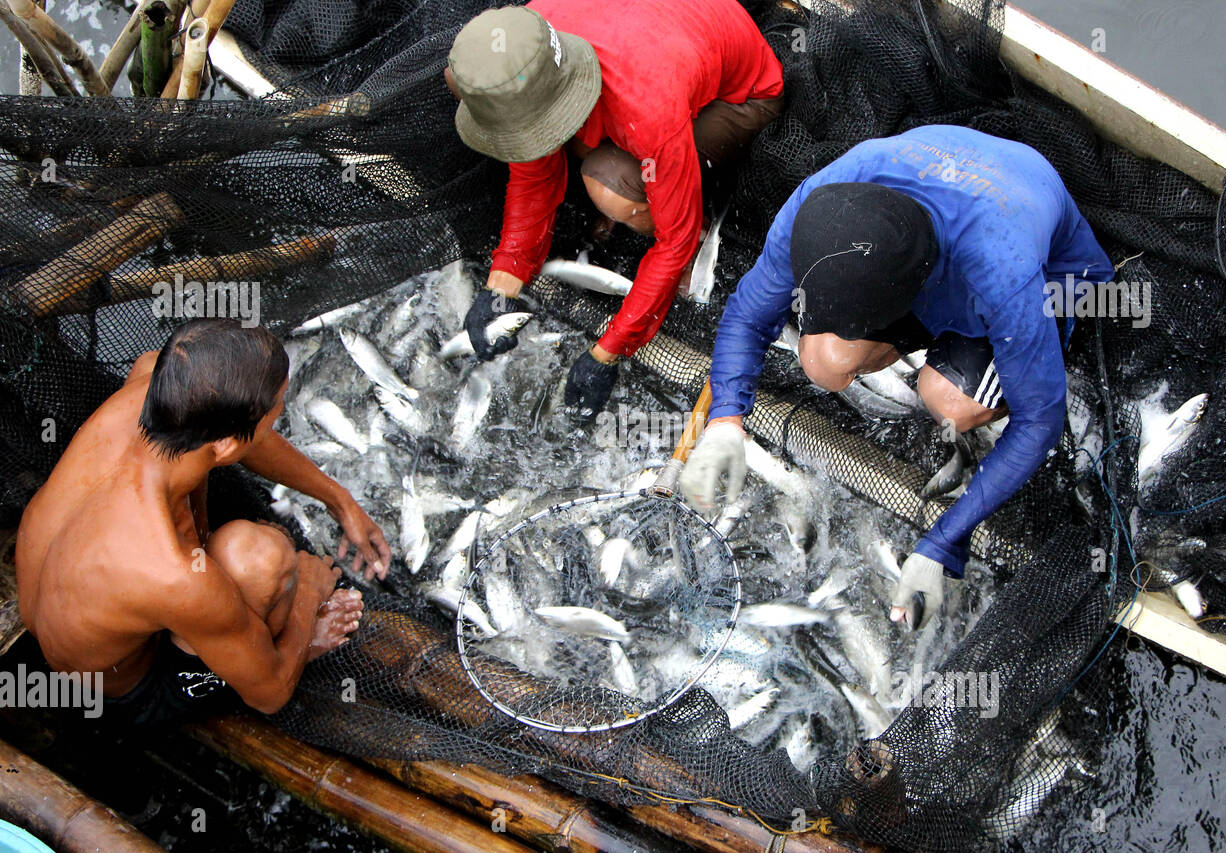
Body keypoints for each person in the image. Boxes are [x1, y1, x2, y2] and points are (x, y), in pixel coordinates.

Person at [680, 125, 1115, 628]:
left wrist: (940, 543)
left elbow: (1041, 420)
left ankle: (966, 371)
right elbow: (748, 316)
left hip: (1050, 272)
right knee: (821, 360)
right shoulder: (819, 209)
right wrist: (726, 421)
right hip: (914, 237)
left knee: (945, 398)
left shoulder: (1005, 272)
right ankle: (924, 348)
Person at [15, 319, 392, 728]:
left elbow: (250, 444)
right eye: (276, 410)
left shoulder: (152, 380)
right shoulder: (174, 574)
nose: (280, 413)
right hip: (129, 688)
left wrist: (339, 499)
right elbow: (269, 696)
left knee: (229, 563)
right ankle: (285, 646)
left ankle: (231, 635)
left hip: (67, 606)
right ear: (225, 443)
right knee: (262, 557)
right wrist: (309, 593)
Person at [446, 0, 784, 414]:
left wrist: (607, 351)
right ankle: (638, 175)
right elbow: (532, 174)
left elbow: (672, 241)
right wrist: (500, 287)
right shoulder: (528, 41)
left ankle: (696, 222)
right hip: (656, 46)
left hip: (742, 100)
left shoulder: (648, 104)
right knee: (569, 147)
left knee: (608, 182)